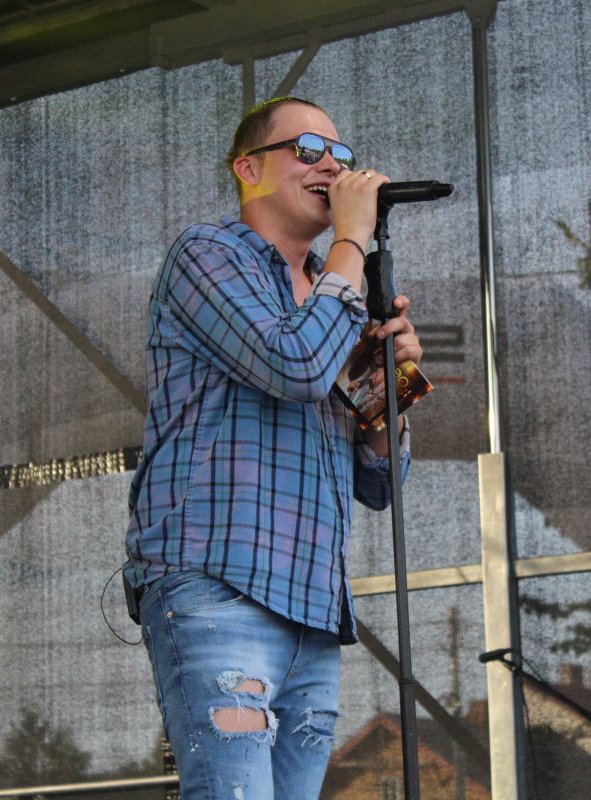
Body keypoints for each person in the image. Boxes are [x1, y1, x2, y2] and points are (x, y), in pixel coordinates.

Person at [124, 96, 422, 799]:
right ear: (248, 168)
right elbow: (294, 366)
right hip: (219, 586)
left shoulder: (331, 295)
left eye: (342, 156)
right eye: (309, 150)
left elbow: (380, 481)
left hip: (313, 609)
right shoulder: (208, 254)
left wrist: (388, 387)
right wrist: (352, 240)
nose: (332, 167)